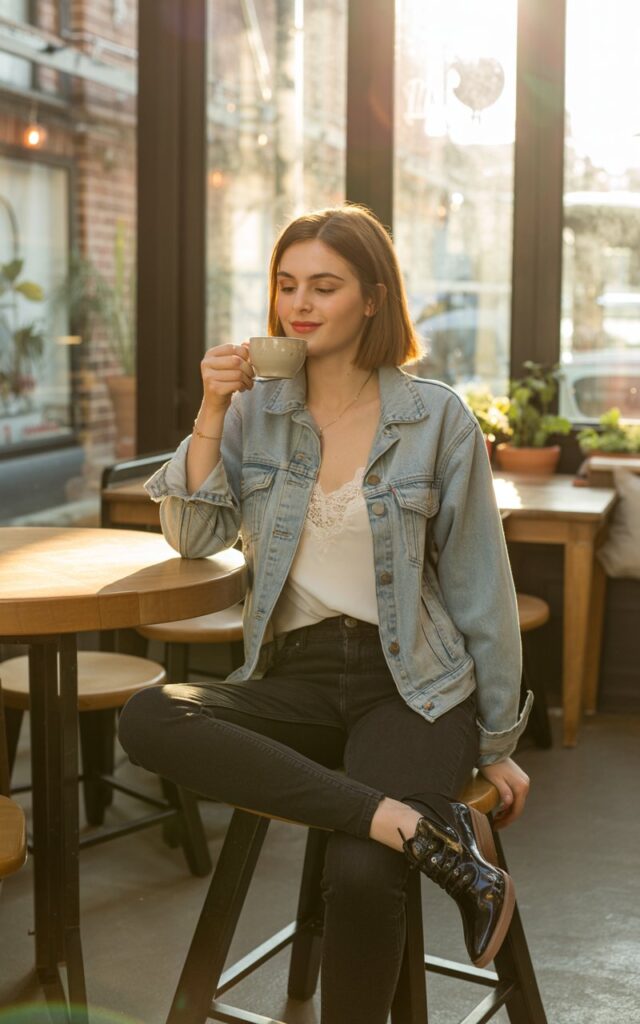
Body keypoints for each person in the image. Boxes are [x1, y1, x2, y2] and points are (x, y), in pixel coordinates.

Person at [118, 203, 532, 1024]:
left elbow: (483, 588)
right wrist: (209, 411)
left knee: (361, 871)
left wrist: (496, 744)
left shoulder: (436, 417)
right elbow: (194, 533)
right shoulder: (256, 411)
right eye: (286, 285)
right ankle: (424, 834)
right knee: (151, 712)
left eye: (325, 286)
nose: (299, 305)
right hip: (296, 675)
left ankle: (403, 832)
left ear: (374, 298)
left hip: (409, 683)